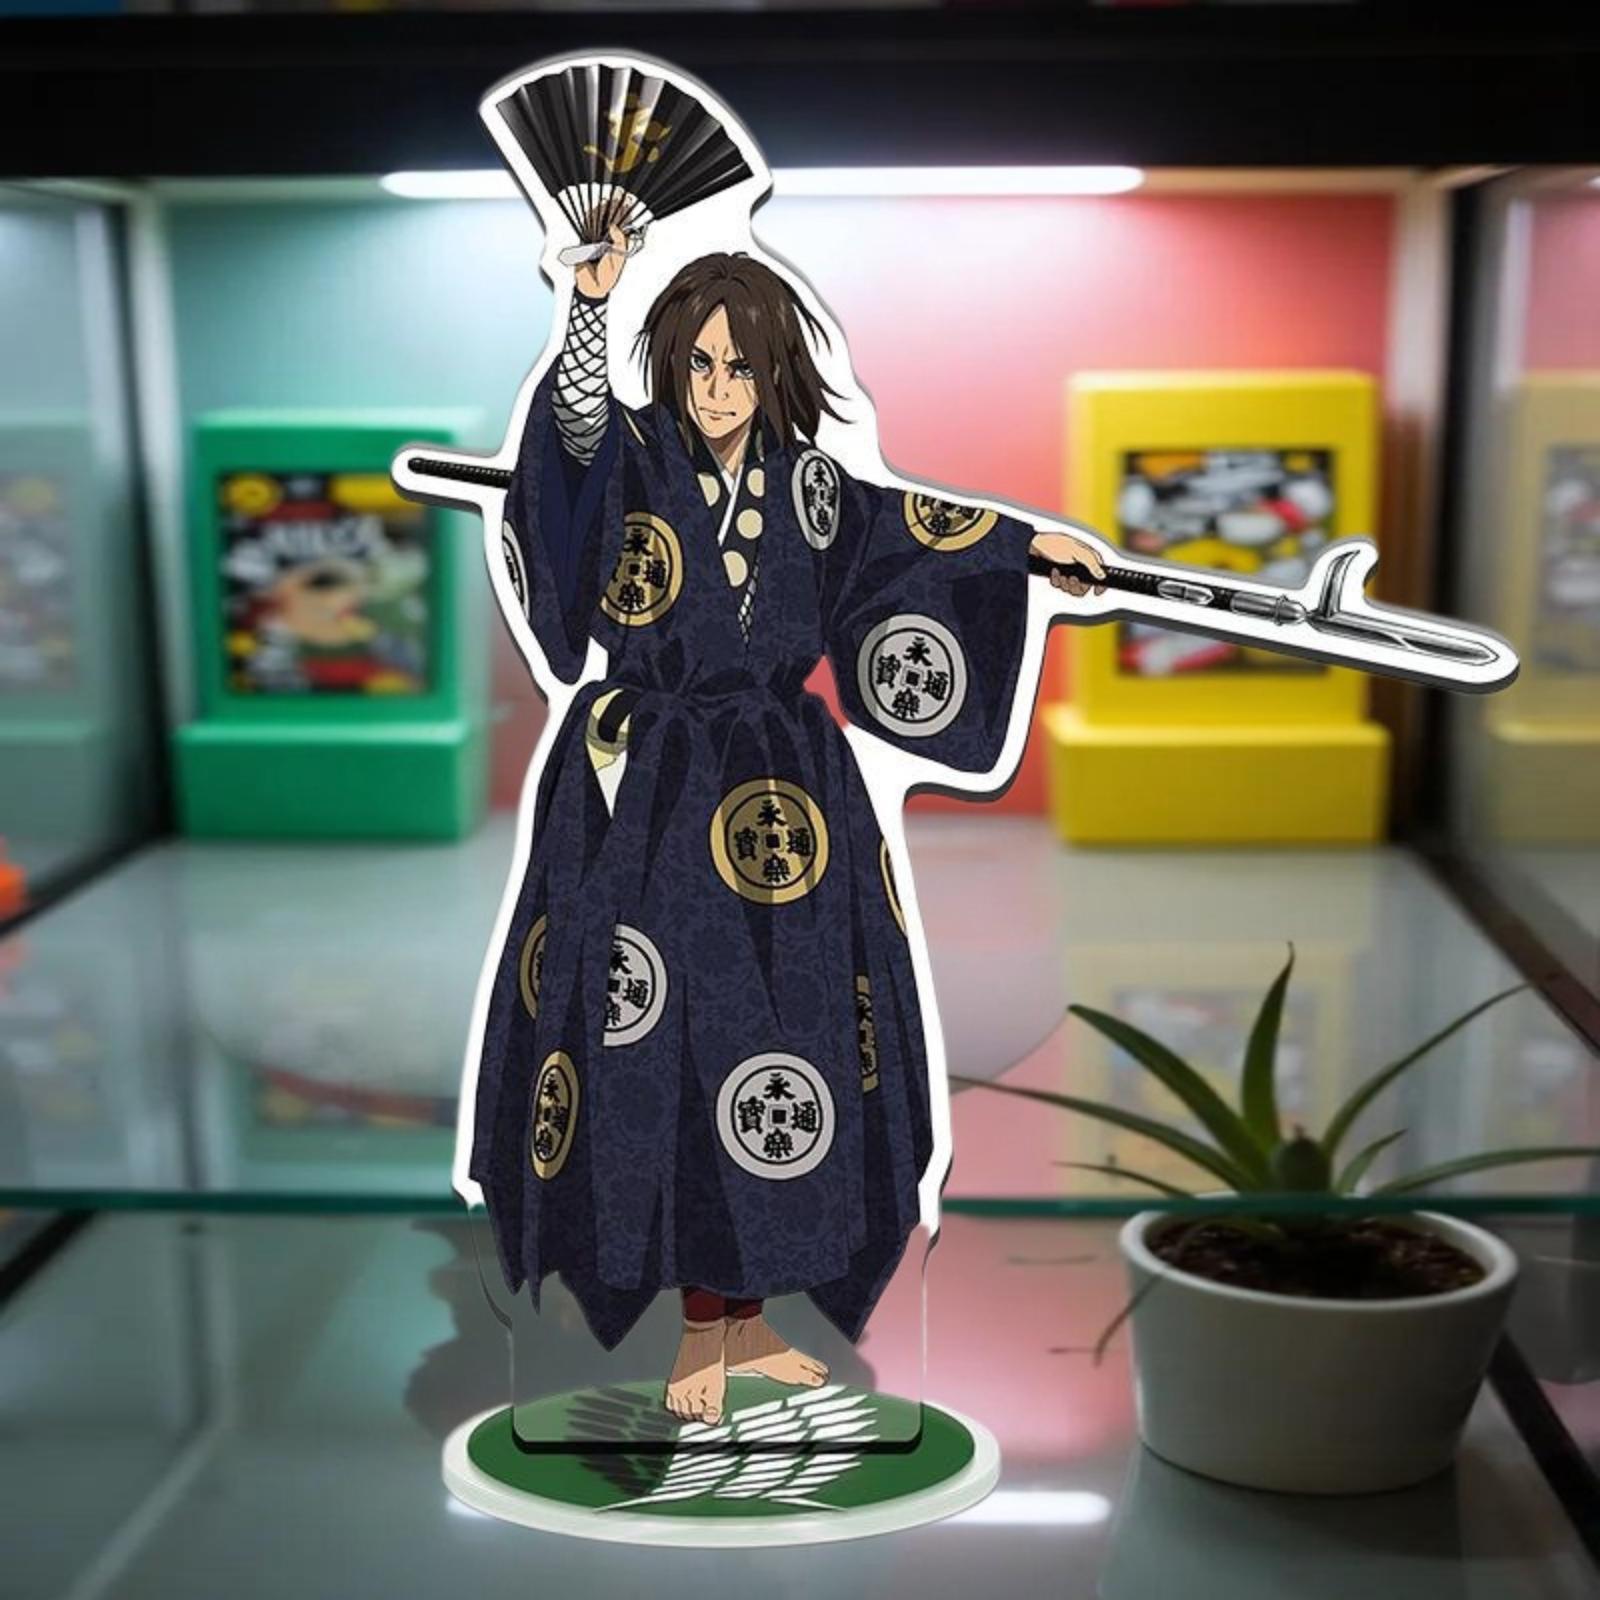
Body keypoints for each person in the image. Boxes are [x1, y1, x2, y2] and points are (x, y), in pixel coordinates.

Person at [473, 217, 1105, 1426]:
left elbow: (914, 530)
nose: (718, 390)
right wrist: (588, 309)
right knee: (662, 1039)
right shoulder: (631, 461)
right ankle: (693, 1328)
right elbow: (571, 440)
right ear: (670, 366)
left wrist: (1031, 550)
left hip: (786, 793)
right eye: (698, 364)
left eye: (741, 367)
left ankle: (746, 1319)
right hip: (644, 787)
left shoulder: (811, 487)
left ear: (775, 375)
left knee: (792, 1042)